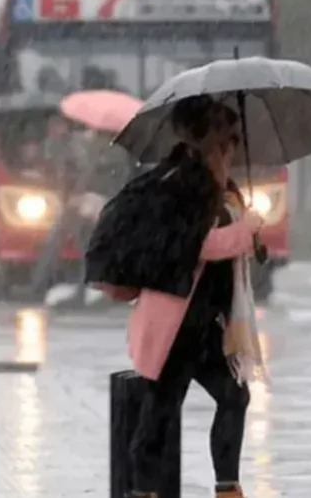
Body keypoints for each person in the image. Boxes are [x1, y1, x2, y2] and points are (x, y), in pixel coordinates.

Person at [85, 95, 266, 498]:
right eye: (227, 140)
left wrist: (250, 233)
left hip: (206, 322)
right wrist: (243, 231)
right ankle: (143, 491)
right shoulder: (184, 182)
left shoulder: (220, 185)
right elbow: (198, 244)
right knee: (162, 410)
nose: (233, 148)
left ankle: (227, 487)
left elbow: (227, 242)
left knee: (232, 396)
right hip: (177, 320)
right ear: (208, 139)